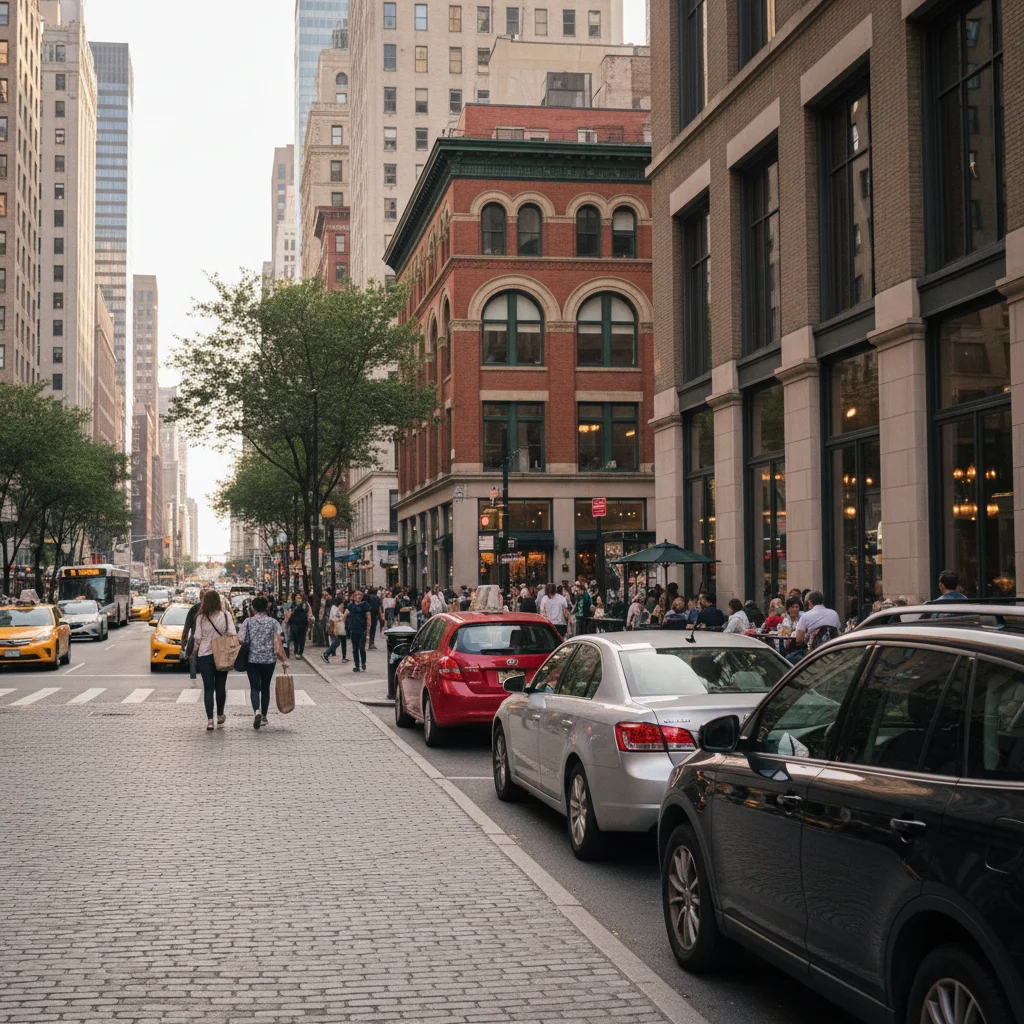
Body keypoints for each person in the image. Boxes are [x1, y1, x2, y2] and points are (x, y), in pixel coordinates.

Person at [239, 596, 287, 730]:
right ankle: (264, 716)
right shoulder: (273, 622)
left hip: (252, 659)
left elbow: (241, 639)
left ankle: (257, 711)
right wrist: (284, 659)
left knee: (254, 687)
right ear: (266, 607)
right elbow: (280, 641)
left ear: (253, 608)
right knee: (265, 687)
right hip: (269, 659)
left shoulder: (248, 622)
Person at [192, 590, 237, 731]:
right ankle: (220, 715)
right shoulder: (226, 615)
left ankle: (209, 721)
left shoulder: (201, 618)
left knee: (208, 688)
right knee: (220, 686)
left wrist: (194, 651)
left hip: (205, 655)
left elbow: (197, 637)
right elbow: (232, 633)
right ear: (218, 601)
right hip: (222, 653)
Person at [788, 590, 841, 663]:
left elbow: (799, 640)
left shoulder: (805, 616)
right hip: (832, 651)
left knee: (789, 657)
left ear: (809, 602)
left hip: (813, 653)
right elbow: (837, 631)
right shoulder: (834, 613)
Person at [345, 589, 372, 672]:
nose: (358, 596)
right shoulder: (350, 606)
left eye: (360, 595)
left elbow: (368, 618)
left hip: (362, 630)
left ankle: (363, 663)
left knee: (362, 648)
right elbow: (345, 615)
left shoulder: (365, 605)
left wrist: (368, 631)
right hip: (353, 630)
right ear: (354, 597)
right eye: (356, 595)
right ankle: (357, 665)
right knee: (355, 649)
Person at [321, 598, 348, 664]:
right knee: (337, 642)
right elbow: (335, 619)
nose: (342, 606)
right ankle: (326, 654)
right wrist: (344, 616)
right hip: (338, 628)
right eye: (342, 604)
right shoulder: (335, 609)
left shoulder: (336, 609)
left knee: (343, 642)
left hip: (341, 628)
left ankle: (344, 657)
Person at [286, 592, 309, 657]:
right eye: (296, 598)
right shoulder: (293, 604)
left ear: (302, 598)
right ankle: (296, 651)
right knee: (295, 638)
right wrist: (287, 619)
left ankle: (300, 652)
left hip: (302, 624)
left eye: (299, 598)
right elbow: (289, 612)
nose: (298, 599)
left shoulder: (305, 605)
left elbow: (308, 612)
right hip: (294, 623)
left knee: (301, 638)